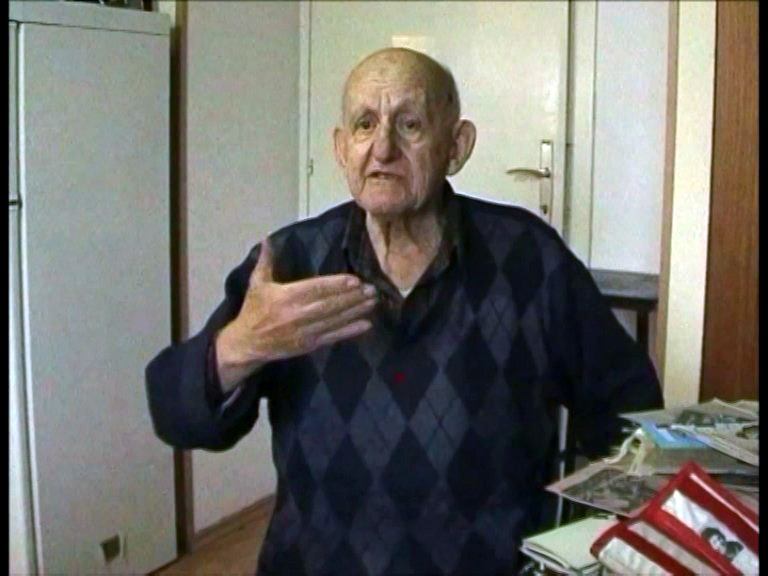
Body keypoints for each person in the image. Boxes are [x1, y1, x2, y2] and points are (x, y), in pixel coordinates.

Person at [146, 47, 663, 575]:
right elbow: (173, 414)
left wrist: (591, 550)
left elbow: (632, 413)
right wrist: (241, 346)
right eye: (364, 124)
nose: (383, 148)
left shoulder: (530, 258)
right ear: (341, 149)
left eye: (410, 124)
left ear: (456, 147)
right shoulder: (291, 262)